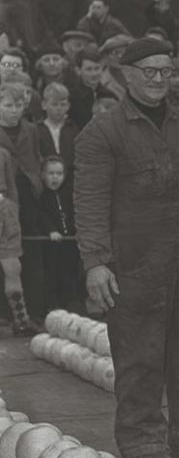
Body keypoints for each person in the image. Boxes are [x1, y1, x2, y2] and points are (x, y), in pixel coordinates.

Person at [74, 37, 179, 458]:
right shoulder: (103, 133)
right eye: (150, 72)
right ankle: (141, 437)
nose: (160, 80)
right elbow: (88, 203)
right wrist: (95, 263)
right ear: (127, 76)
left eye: (166, 71)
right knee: (138, 356)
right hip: (135, 269)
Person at [36, 155, 82, 312]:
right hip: (53, 244)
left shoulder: (69, 195)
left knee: (71, 273)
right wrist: (51, 230)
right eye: (51, 173)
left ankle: (72, 304)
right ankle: (53, 306)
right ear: (42, 175)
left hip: (70, 242)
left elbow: (74, 213)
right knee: (53, 273)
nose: (55, 178)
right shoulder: (43, 197)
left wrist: (77, 231)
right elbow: (42, 216)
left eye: (59, 174)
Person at [0, 142, 34, 333]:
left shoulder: (3, 154)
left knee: (12, 267)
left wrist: (12, 208)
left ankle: (21, 321)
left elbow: (11, 186)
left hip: (4, 209)